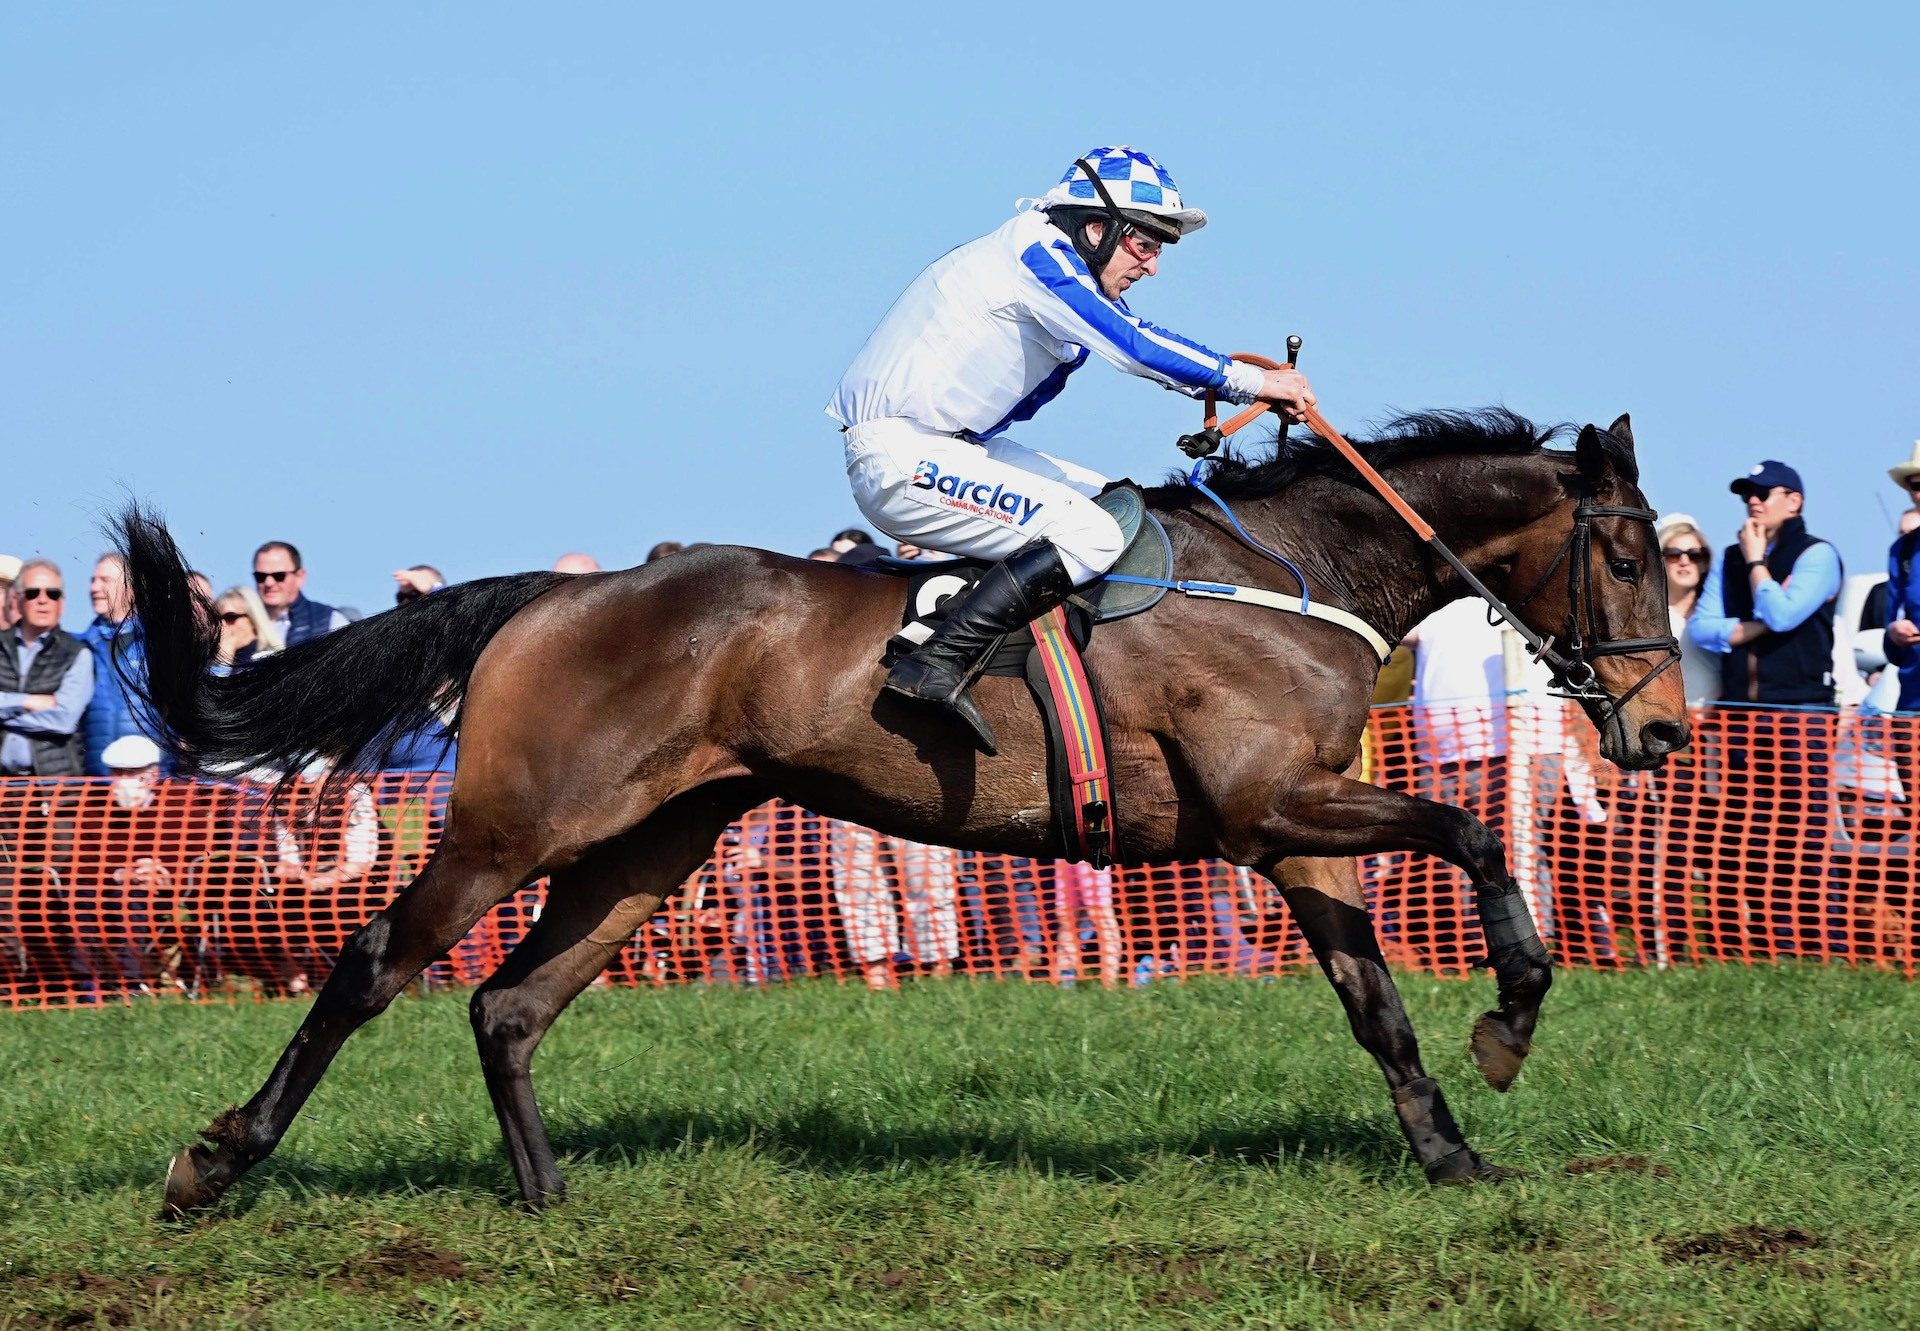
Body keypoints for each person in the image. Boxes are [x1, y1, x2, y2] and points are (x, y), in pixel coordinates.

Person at [828, 146, 1315, 753]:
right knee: (1093, 536)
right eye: (1147, 244)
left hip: (953, 449)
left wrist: (1224, 384)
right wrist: (1256, 381)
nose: (1155, 266)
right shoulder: (1036, 255)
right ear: (1095, 227)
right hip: (905, 458)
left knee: (1121, 508)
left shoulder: (1060, 266)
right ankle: (937, 661)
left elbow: (1139, 340)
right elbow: (1134, 347)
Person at [1689, 461, 1843, 705]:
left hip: (1801, 710)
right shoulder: (1730, 557)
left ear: (1794, 502)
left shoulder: (1818, 553)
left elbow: (1780, 617)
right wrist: (1762, 625)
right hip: (1738, 709)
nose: (1752, 501)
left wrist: (1754, 561)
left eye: (1763, 494)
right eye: (1747, 495)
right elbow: (1701, 629)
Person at [1, 560, 95, 777]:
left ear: (62, 603)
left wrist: (5, 708)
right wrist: (28, 701)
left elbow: (63, 720)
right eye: (33, 593)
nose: (43, 600)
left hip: (52, 793)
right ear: (17, 600)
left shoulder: (77, 654)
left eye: (52, 594)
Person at [1655, 513, 1720, 708]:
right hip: (1663, 728)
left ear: (1705, 562)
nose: (1685, 561)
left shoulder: (1720, 617)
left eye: (1694, 555)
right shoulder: (1643, 621)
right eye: (1674, 554)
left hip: (1718, 730)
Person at [1881, 443, 1920, 711]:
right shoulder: (1902, 551)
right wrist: (1894, 634)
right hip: (1913, 705)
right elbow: (1890, 639)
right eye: (1916, 486)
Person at [251, 541, 347, 648]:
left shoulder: (331, 621)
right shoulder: (237, 621)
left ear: (300, 577)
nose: (269, 583)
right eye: (260, 576)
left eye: (279, 576)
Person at [212, 585, 282, 670]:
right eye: (215, 620)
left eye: (230, 617)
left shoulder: (269, 660)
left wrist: (223, 662)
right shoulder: (207, 664)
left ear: (253, 619)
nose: (222, 625)